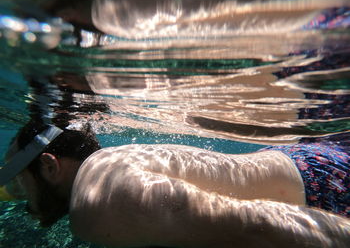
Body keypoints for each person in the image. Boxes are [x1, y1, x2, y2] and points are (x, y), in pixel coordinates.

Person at [0, 120, 349, 247]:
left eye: (18, 182)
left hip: (320, 191)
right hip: (301, 160)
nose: (19, 199)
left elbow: (257, 224)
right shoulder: (111, 164)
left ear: (48, 166)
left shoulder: (95, 199)